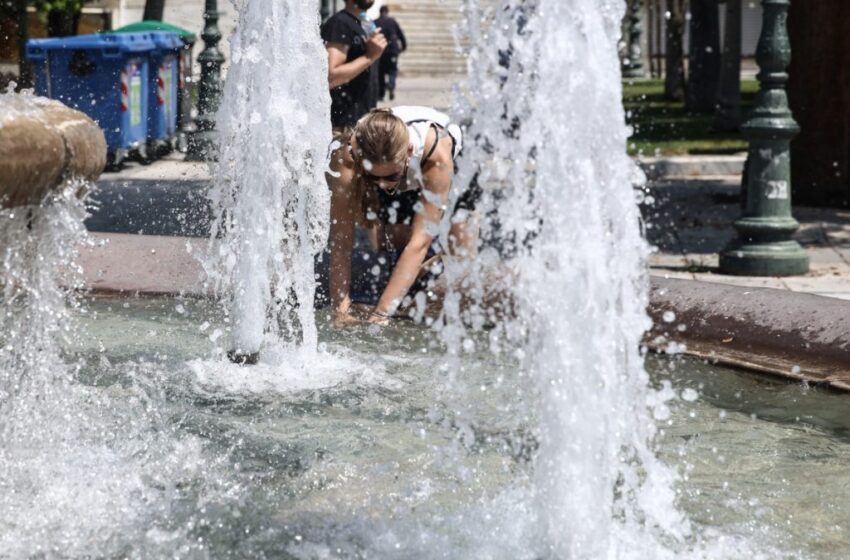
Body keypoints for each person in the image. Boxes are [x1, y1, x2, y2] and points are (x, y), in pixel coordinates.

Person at [327, 106, 480, 326]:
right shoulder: (348, 157)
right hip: (403, 173)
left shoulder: (436, 154)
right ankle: (425, 257)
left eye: (388, 176)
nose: (381, 184)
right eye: (372, 177)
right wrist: (340, 311)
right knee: (384, 242)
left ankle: (443, 241)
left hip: (453, 166)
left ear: (408, 150)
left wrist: (380, 315)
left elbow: (419, 241)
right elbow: (340, 241)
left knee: (462, 259)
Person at [321, 0, 388, 129]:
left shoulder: (364, 23)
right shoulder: (340, 23)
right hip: (342, 126)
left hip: (361, 122)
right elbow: (331, 76)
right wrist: (369, 56)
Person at [374, 5, 407, 101]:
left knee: (381, 73)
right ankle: (391, 84)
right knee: (392, 70)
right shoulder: (392, 21)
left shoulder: (376, 22)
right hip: (392, 51)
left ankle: (381, 94)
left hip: (380, 51)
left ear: (380, 12)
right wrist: (404, 46)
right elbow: (400, 35)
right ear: (387, 12)